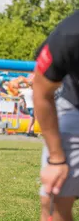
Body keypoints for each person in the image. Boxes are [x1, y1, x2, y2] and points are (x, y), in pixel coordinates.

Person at [33, 11, 79, 221]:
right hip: (75, 109)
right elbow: (42, 93)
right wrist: (56, 160)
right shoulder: (70, 34)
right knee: (54, 205)